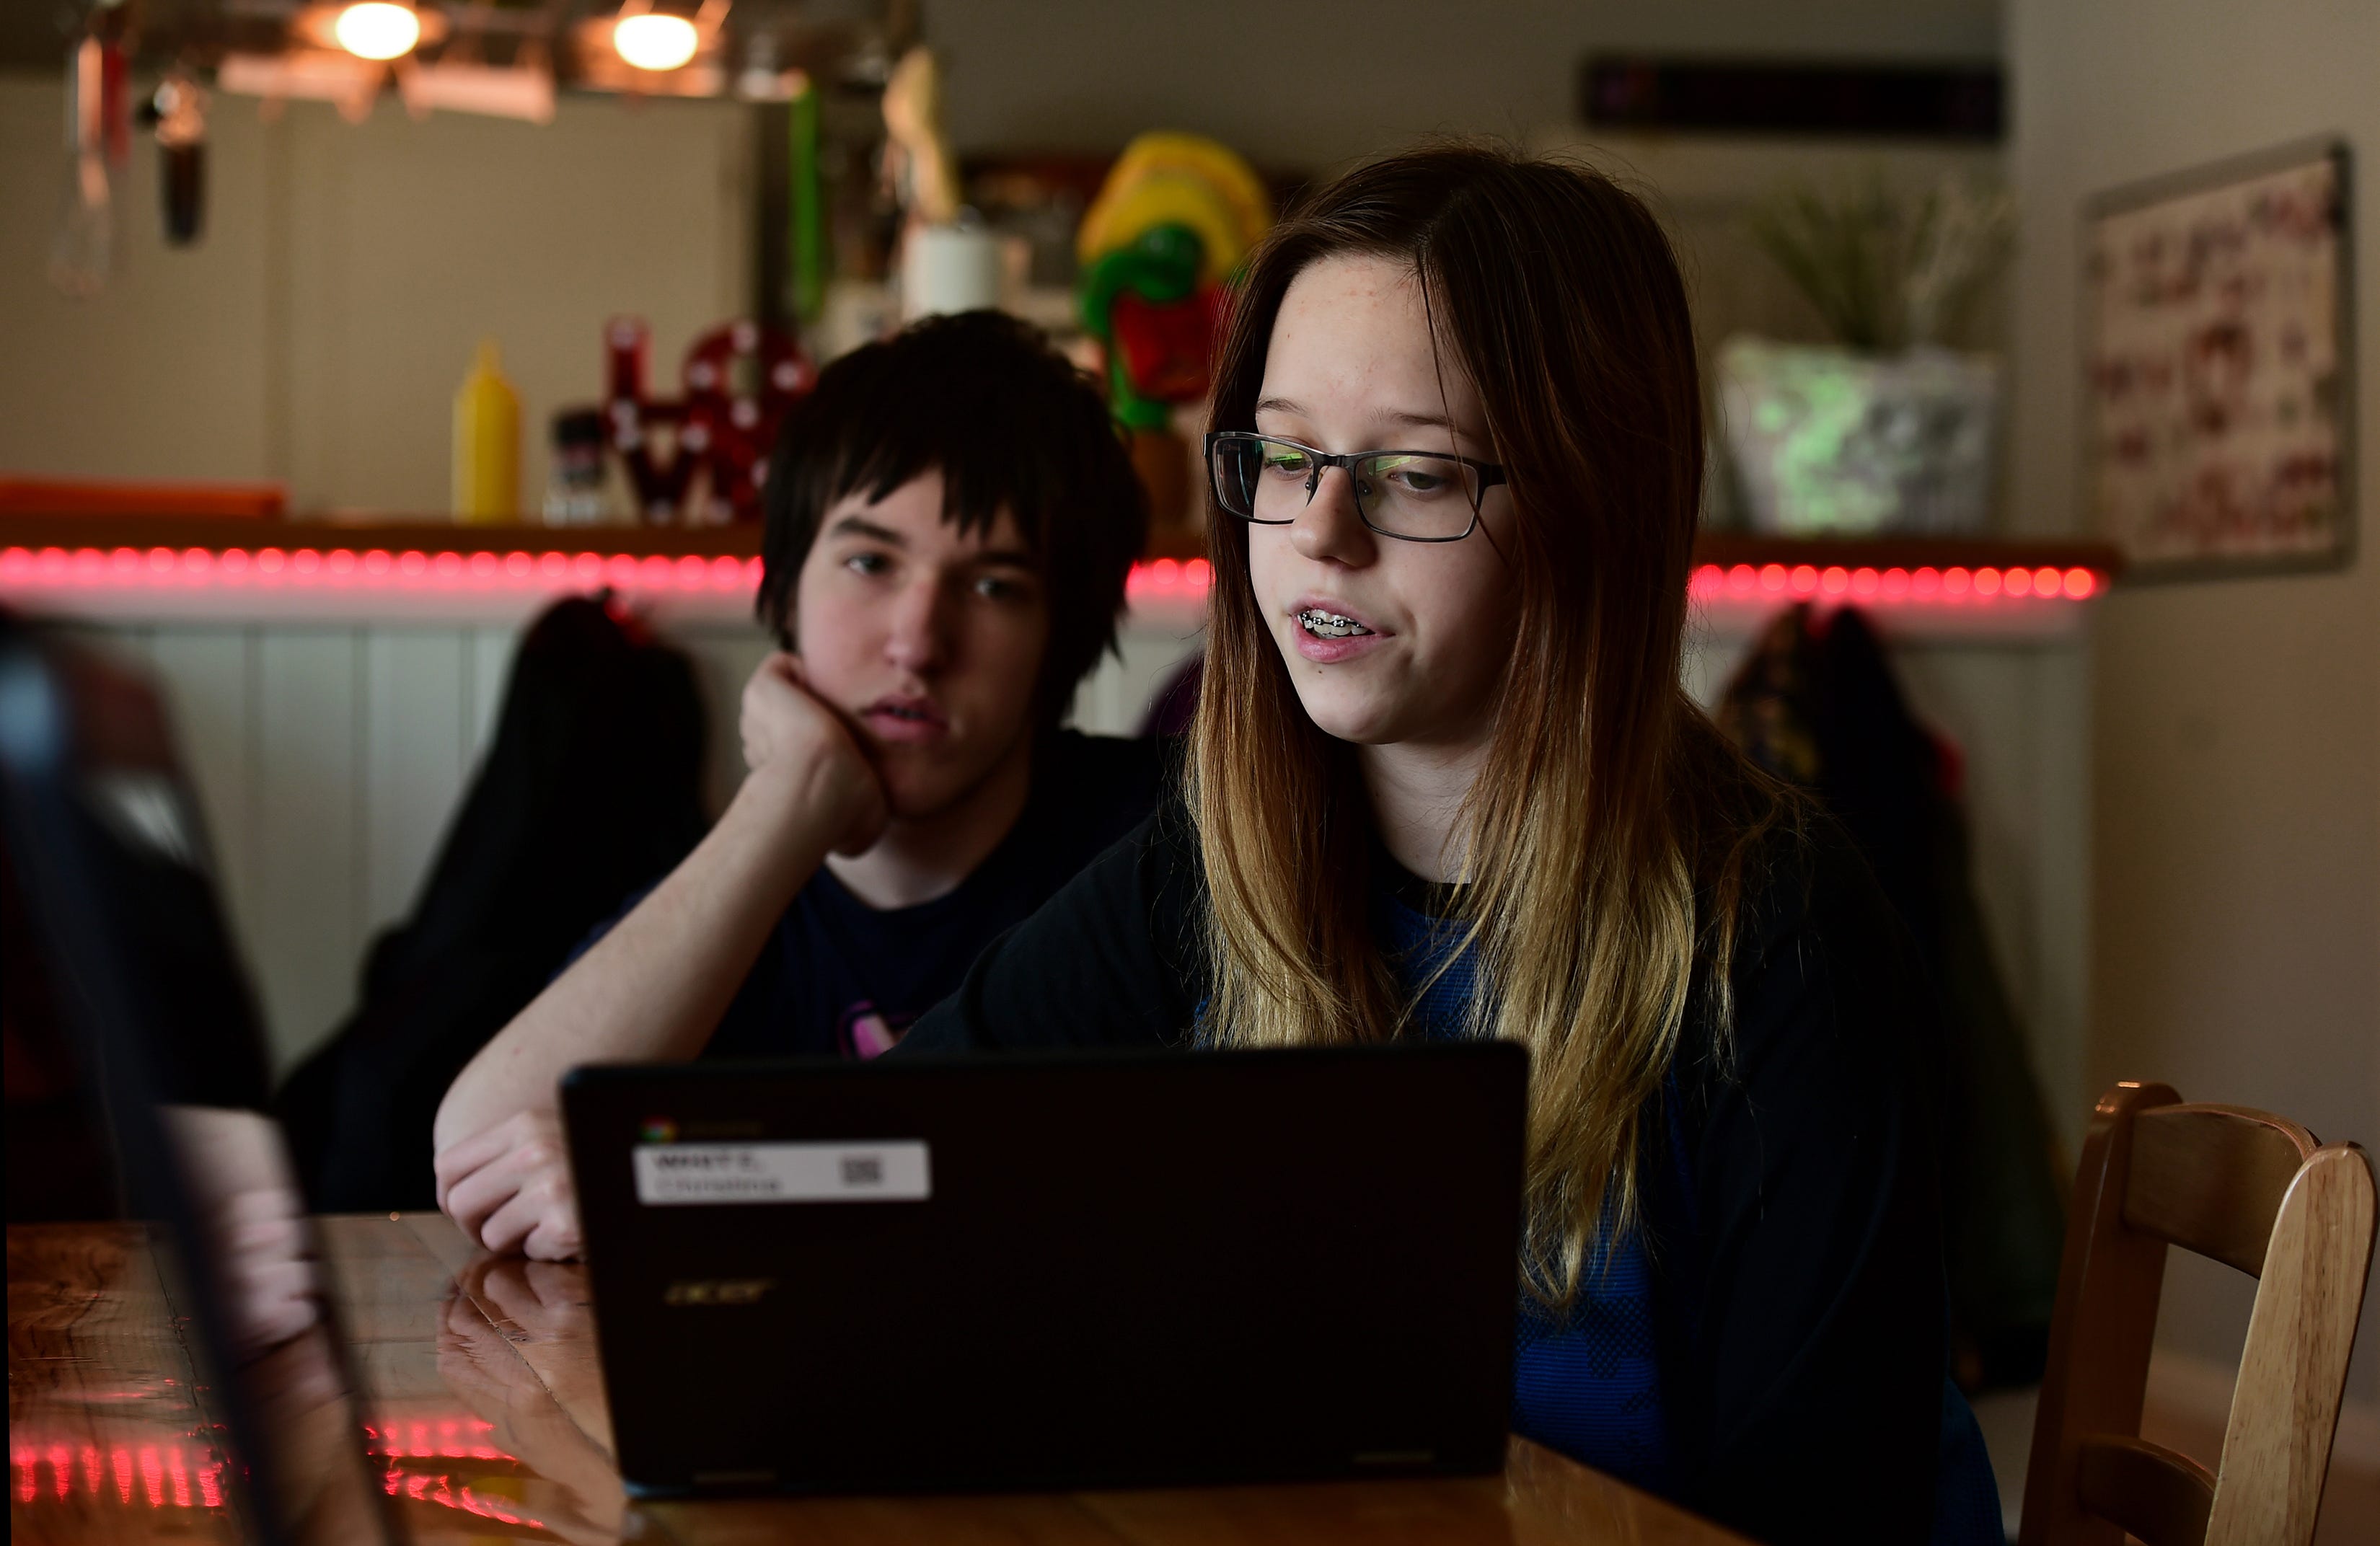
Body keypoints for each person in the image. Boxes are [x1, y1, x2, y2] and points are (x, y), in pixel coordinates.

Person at [880, 148, 1998, 1543]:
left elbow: (1825, 1515)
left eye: (1412, 475)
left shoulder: (1778, 936)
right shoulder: (1214, 856)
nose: (1319, 534)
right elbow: (902, 1154)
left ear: (1594, 507)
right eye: (1283, 458)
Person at [432, 312, 1159, 1261]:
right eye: (868, 562)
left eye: (992, 587)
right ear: (784, 589)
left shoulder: (1164, 841)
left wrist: (704, 1177)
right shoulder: (735, 896)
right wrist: (791, 795)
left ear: (1061, 638)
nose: (916, 642)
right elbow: (479, 1159)